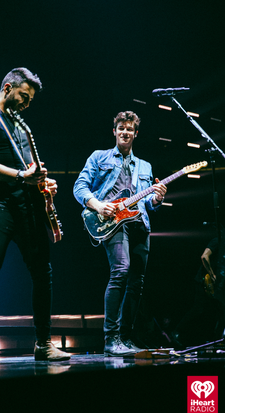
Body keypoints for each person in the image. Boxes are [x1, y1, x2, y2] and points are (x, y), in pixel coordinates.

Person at [0, 67, 71, 366]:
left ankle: (44, 344)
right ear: (8, 87)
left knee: (42, 271)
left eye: (30, 100)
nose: (27, 103)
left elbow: (29, 169)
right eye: (23, 96)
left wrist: (43, 183)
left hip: (28, 204)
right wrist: (23, 176)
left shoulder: (20, 125)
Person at [72, 111, 167, 356]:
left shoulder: (144, 166)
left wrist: (156, 199)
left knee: (137, 283)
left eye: (130, 129)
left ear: (136, 133)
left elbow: (147, 204)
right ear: (114, 131)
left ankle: (124, 338)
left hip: (139, 224)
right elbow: (79, 186)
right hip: (112, 221)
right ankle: (110, 338)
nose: (125, 132)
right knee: (120, 271)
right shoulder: (99, 157)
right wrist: (97, 204)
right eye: (121, 128)